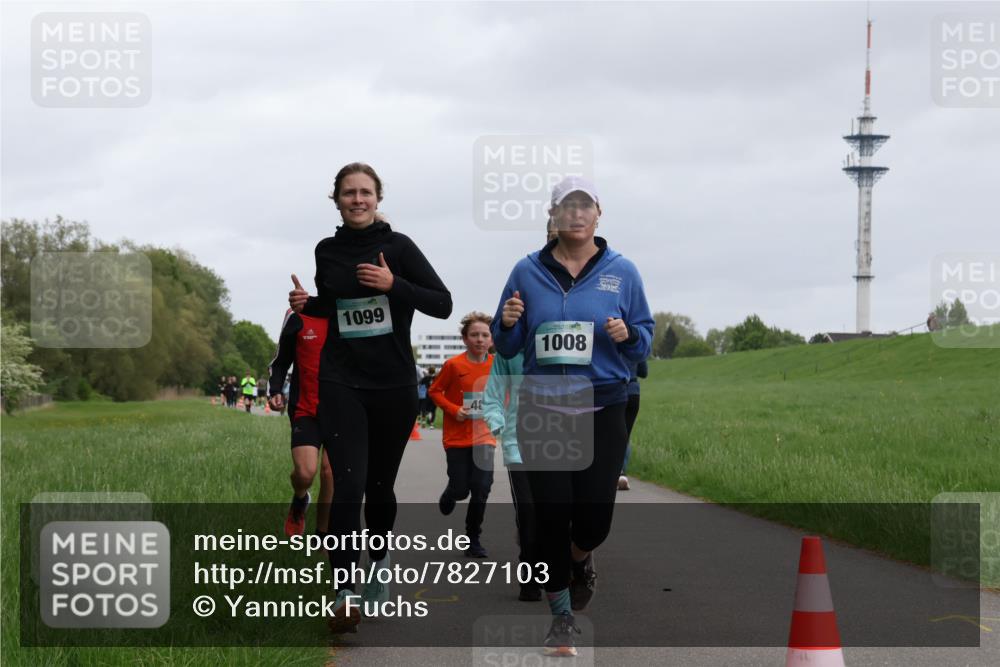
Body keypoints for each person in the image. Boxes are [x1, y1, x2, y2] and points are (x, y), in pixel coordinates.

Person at [491, 176, 653, 657]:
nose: (577, 214)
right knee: (549, 519)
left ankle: (581, 558)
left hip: (603, 401)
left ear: (599, 214)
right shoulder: (526, 271)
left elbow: (644, 343)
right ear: (554, 216)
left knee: (594, 519)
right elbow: (507, 345)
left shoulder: (622, 272)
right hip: (543, 405)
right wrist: (507, 324)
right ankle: (561, 618)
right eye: (567, 207)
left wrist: (626, 335)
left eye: (586, 206)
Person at [288, 162, 452, 633]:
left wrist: (393, 284)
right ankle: (343, 590)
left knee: (380, 488)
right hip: (342, 382)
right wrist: (309, 306)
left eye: (365, 192)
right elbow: (335, 306)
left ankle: (376, 568)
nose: (357, 199)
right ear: (336, 199)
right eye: (348, 193)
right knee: (348, 485)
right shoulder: (327, 250)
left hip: (395, 386)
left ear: (378, 198)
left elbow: (442, 303)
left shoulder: (399, 247)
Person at [481, 221, 558, 602]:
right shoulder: (508, 350)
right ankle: (531, 575)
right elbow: (493, 396)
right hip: (518, 442)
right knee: (529, 513)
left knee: (564, 513)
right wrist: (500, 427)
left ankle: (569, 566)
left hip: (566, 434)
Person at [428, 312, 496, 558]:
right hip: (457, 438)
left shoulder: (497, 366)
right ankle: (451, 493)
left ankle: (473, 538)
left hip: (484, 437)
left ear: (491, 339)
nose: (480, 339)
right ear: (465, 339)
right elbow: (435, 391)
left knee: (481, 486)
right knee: (461, 488)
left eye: (485, 335)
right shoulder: (454, 365)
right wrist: (455, 410)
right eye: (474, 335)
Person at [268, 306, 336, 538]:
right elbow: (280, 361)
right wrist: (275, 389)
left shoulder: (350, 311)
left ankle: (323, 535)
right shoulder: (298, 315)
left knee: (330, 473)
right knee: (305, 473)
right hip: (306, 409)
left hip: (342, 411)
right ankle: (299, 500)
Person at [618, 359, 648, 491]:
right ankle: (622, 473)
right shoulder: (635, 342)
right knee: (625, 435)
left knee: (608, 433)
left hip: (615, 391)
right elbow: (644, 372)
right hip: (634, 392)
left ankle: (612, 473)